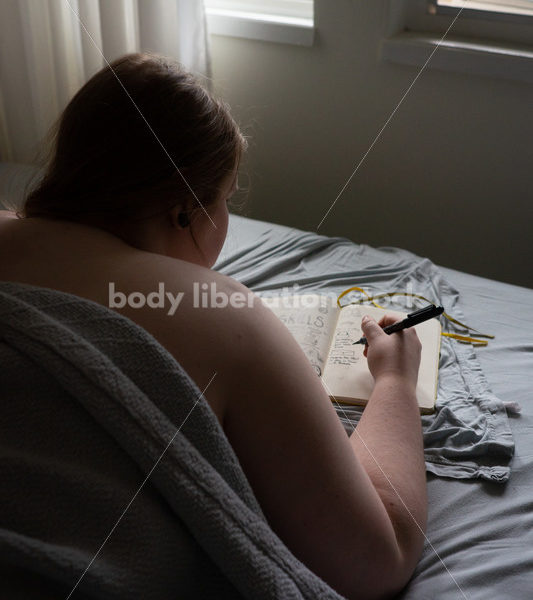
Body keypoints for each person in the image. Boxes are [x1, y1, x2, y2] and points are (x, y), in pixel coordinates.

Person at [0, 52, 426, 600]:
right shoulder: (223, 313)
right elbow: (378, 558)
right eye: (224, 201)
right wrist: (395, 381)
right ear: (183, 211)